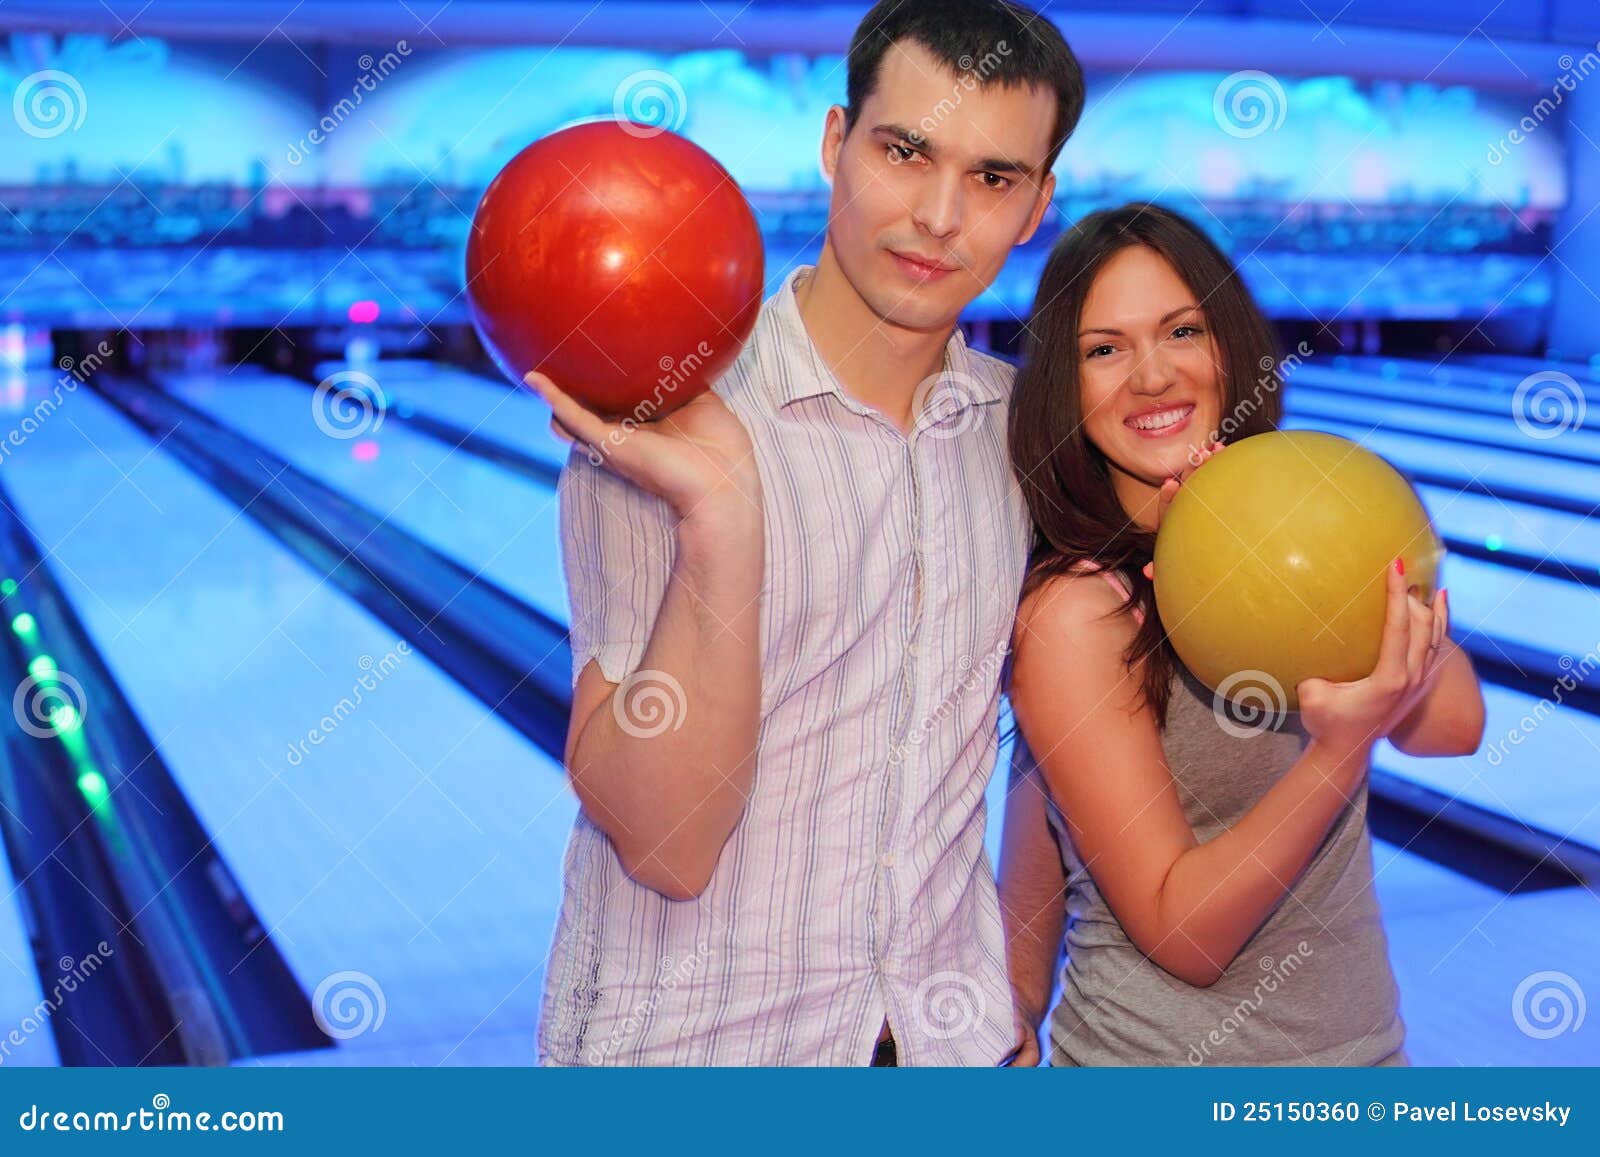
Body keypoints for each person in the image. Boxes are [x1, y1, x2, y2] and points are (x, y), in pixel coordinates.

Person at [527, 0, 1085, 1065]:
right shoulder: (668, 417)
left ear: (1036, 206)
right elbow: (663, 840)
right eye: (905, 150)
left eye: (993, 178)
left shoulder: (1028, 435)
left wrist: (1003, 996)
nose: (937, 214)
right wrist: (721, 519)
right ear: (836, 143)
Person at [999, 203, 1487, 1066]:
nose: (1152, 376)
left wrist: (1333, 547)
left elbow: (1453, 726)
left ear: (1229, 344)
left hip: (1367, 1060)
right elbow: (1185, 933)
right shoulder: (1078, 611)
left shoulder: (1303, 523)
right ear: (1064, 386)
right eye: (1103, 349)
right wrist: (1337, 750)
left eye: (1181, 330)